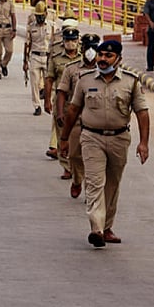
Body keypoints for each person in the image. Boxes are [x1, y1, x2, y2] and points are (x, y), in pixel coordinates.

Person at [59, 40, 150, 248]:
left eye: (108, 56)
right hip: (91, 137)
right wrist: (64, 138)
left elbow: (142, 112)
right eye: (100, 55)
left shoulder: (131, 81)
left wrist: (144, 143)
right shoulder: (84, 79)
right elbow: (73, 110)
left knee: (112, 183)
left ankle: (107, 227)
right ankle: (96, 229)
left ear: (118, 59)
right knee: (94, 182)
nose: (102, 59)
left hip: (119, 139)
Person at [55, 32, 100, 199]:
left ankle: (91, 189)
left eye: (94, 48)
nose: (90, 51)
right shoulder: (72, 68)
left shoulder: (104, 70)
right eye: (87, 47)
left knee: (93, 158)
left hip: (96, 123)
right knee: (74, 155)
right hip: (76, 121)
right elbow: (61, 92)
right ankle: (77, 179)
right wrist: (60, 112)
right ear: (82, 48)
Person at [46, 26, 82, 180]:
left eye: (73, 40)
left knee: (80, 139)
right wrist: (47, 100)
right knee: (63, 136)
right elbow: (49, 79)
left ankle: (77, 167)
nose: (71, 43)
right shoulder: (56, 58)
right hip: (63, 102)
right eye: (68, 40)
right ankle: (66, 167)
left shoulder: (85, 57)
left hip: (81, 103)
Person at [24, 1, 54, 116]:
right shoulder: (31, 27)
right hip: (35, 56)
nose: (39, 18)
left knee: (49, 83)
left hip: (47, 57)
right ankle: (36, 105)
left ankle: (48, 101)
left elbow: (55, 43)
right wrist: (25, 61)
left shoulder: (52, 26)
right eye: (37, 16)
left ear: (46, 14)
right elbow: (27, 44)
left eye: (41, 16)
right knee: (35, 83)